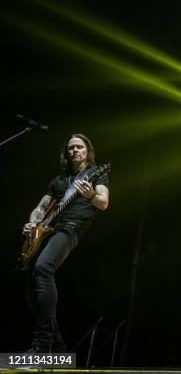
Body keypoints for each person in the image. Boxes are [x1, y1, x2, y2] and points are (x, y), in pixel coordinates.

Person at [22, 134, 109, 352]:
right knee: (31, 289)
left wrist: (90, 196)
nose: (75, 150)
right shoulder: (59, 181)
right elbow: (41, 208)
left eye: (79, 147)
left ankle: (42, 345)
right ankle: (59, 348)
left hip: (71, 229)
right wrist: (32, 224)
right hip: (48, 230)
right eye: (71, 148)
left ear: (87, 151)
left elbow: (104, 202)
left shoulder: (96, 175)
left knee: (43, 269)